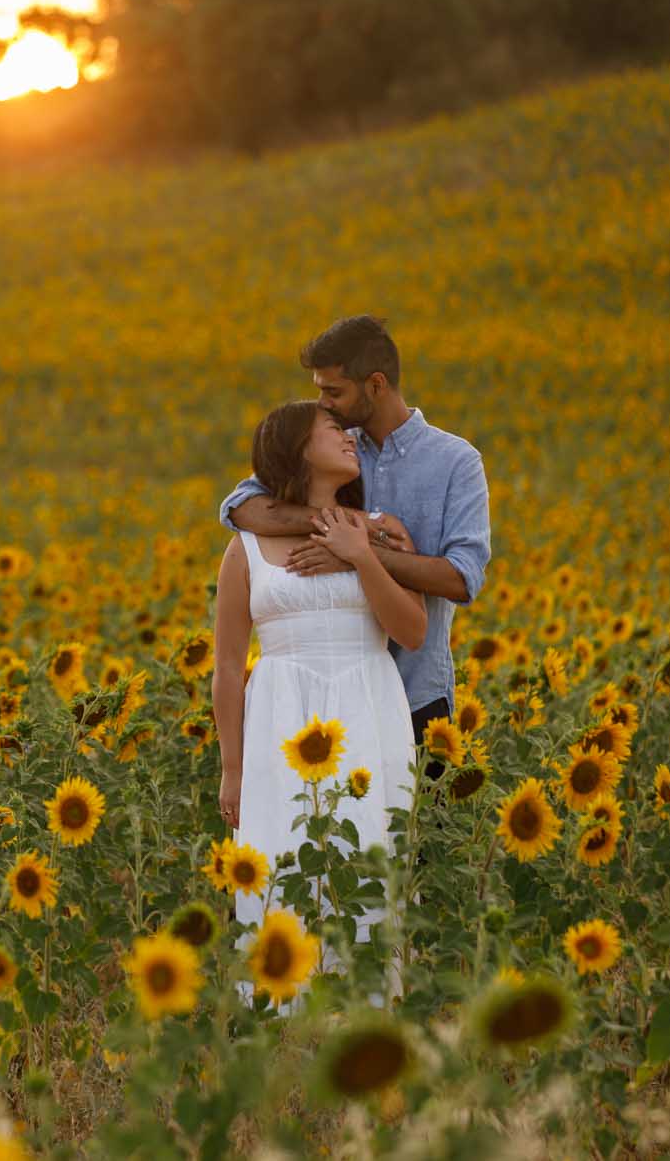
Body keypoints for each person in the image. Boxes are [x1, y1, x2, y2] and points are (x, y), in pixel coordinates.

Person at [212, 400, 422, 1003]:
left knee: (372, 852)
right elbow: (227, 666)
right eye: (332, 429)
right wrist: (232, 768)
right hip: (280, 715)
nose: (349, 436)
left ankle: (372, 1008)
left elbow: (411, 630)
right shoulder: (246, 547)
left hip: (368, 703)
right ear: (298, 448)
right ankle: (286, 1019)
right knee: (282, 854)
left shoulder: (381, 532)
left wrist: (361, 555)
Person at [218, 316, 492, 776]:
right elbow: (242, 506)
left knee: (413, 824)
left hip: (417, 692)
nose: (323, 403)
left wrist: (357, 552)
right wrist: (350, 524)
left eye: (333, 392)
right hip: (323, 703)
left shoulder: (455, 462)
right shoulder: (335, 447)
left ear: (376, 385)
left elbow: (461, 579)